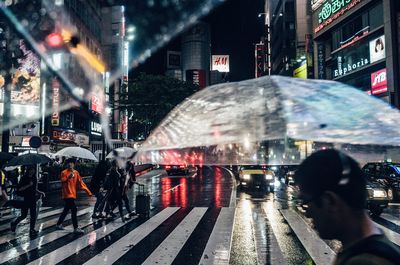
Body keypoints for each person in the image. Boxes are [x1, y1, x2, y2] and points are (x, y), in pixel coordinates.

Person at [294, 149, 400, 265]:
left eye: (307, 201)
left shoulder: (364, 262)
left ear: (330, 201)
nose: (307, 212)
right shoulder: (365, 247)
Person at [56, 158, 92, 234]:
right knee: (74, 209)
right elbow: (62, 180)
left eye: (71, 163)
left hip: (73, 194)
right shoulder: (64, 172)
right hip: (67, 195)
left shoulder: (76, 173)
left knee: (66, 210)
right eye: (69, 163)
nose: (70, 164)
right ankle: (76, 228)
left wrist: (88, 192)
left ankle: (59, 224)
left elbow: (81, 183)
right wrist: (68, 177)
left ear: (74, 164)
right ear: (66, 164)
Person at [10, 166, 39, 236]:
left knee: (33, 215)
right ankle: (14, 223)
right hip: (25, 199)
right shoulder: (23, 178)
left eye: (33, 170)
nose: (32, 171)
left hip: (32, 199)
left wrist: (39, 192)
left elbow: (34, 188)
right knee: (24, 215)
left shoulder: (34, 178)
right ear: (28, 170)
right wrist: (29, 185)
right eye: (31, 169)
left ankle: (32, 230)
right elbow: (19, 189)